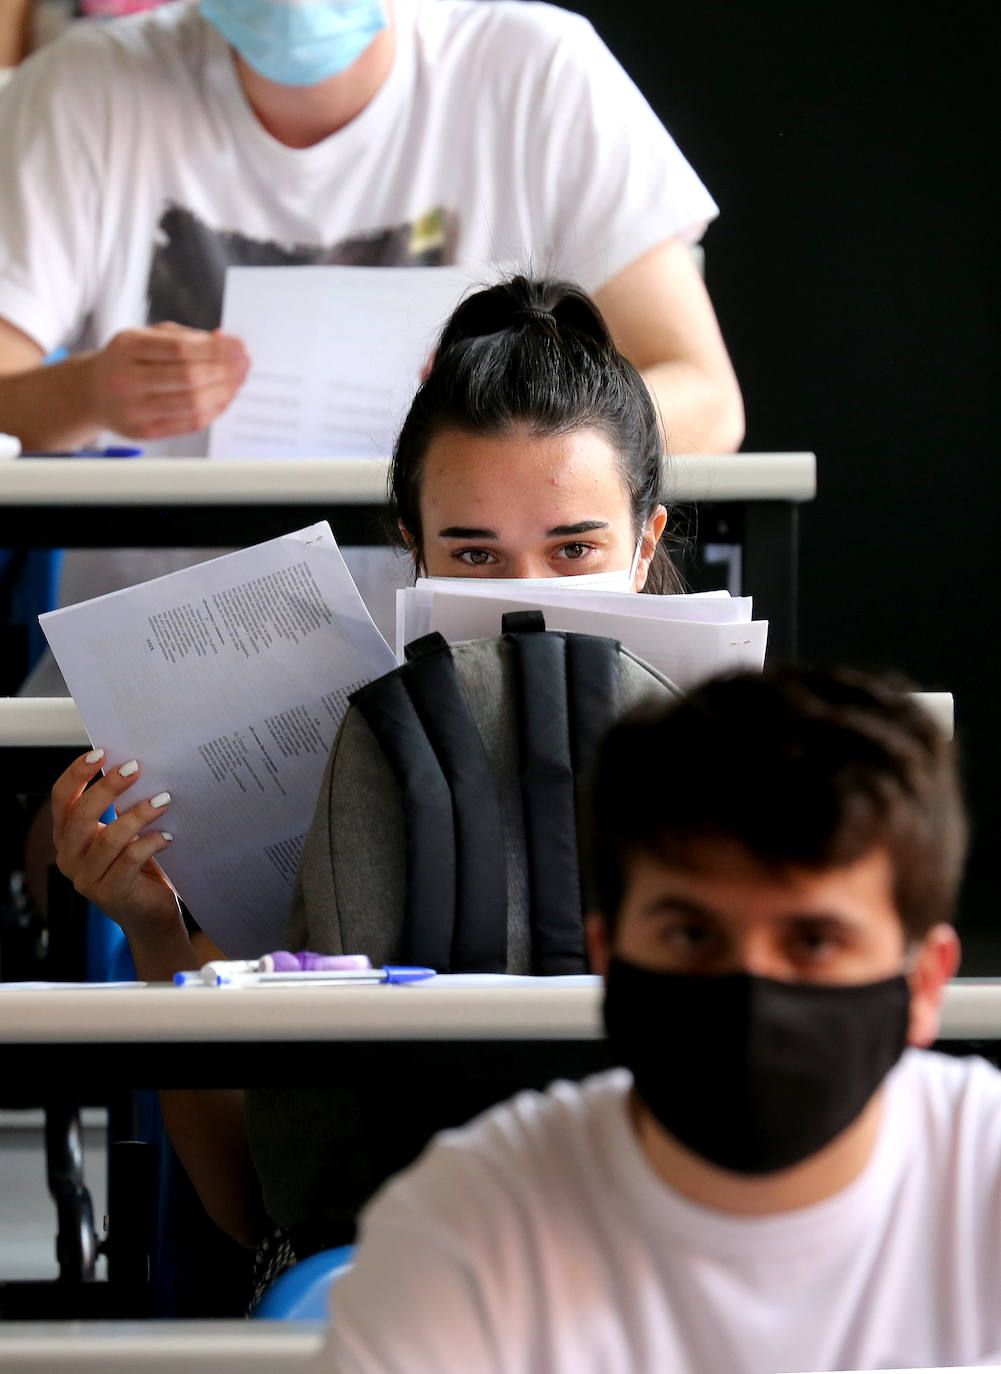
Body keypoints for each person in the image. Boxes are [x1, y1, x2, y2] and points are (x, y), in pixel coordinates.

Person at [48, 275, 679, 1285]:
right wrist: (157, 930)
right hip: (385, 1268)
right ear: (410, 548)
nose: (523, 595)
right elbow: (256, 1206)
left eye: (573, 550)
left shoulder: (736, 765)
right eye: (472, 554)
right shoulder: (328, 760)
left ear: (644, 545)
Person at [0, 0, 743, 678]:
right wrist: (88, 391)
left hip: (476, 668)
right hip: (160, 662)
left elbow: (706, 398)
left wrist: (535, 401)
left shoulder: (536, 68)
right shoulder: (80, 87)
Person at [311, 664, 991, 1374]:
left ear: (922, 982)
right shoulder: (469, 1223)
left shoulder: (984, 1174)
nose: (750, 990)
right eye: (691, 936)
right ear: (606, 958)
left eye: (813, 943)